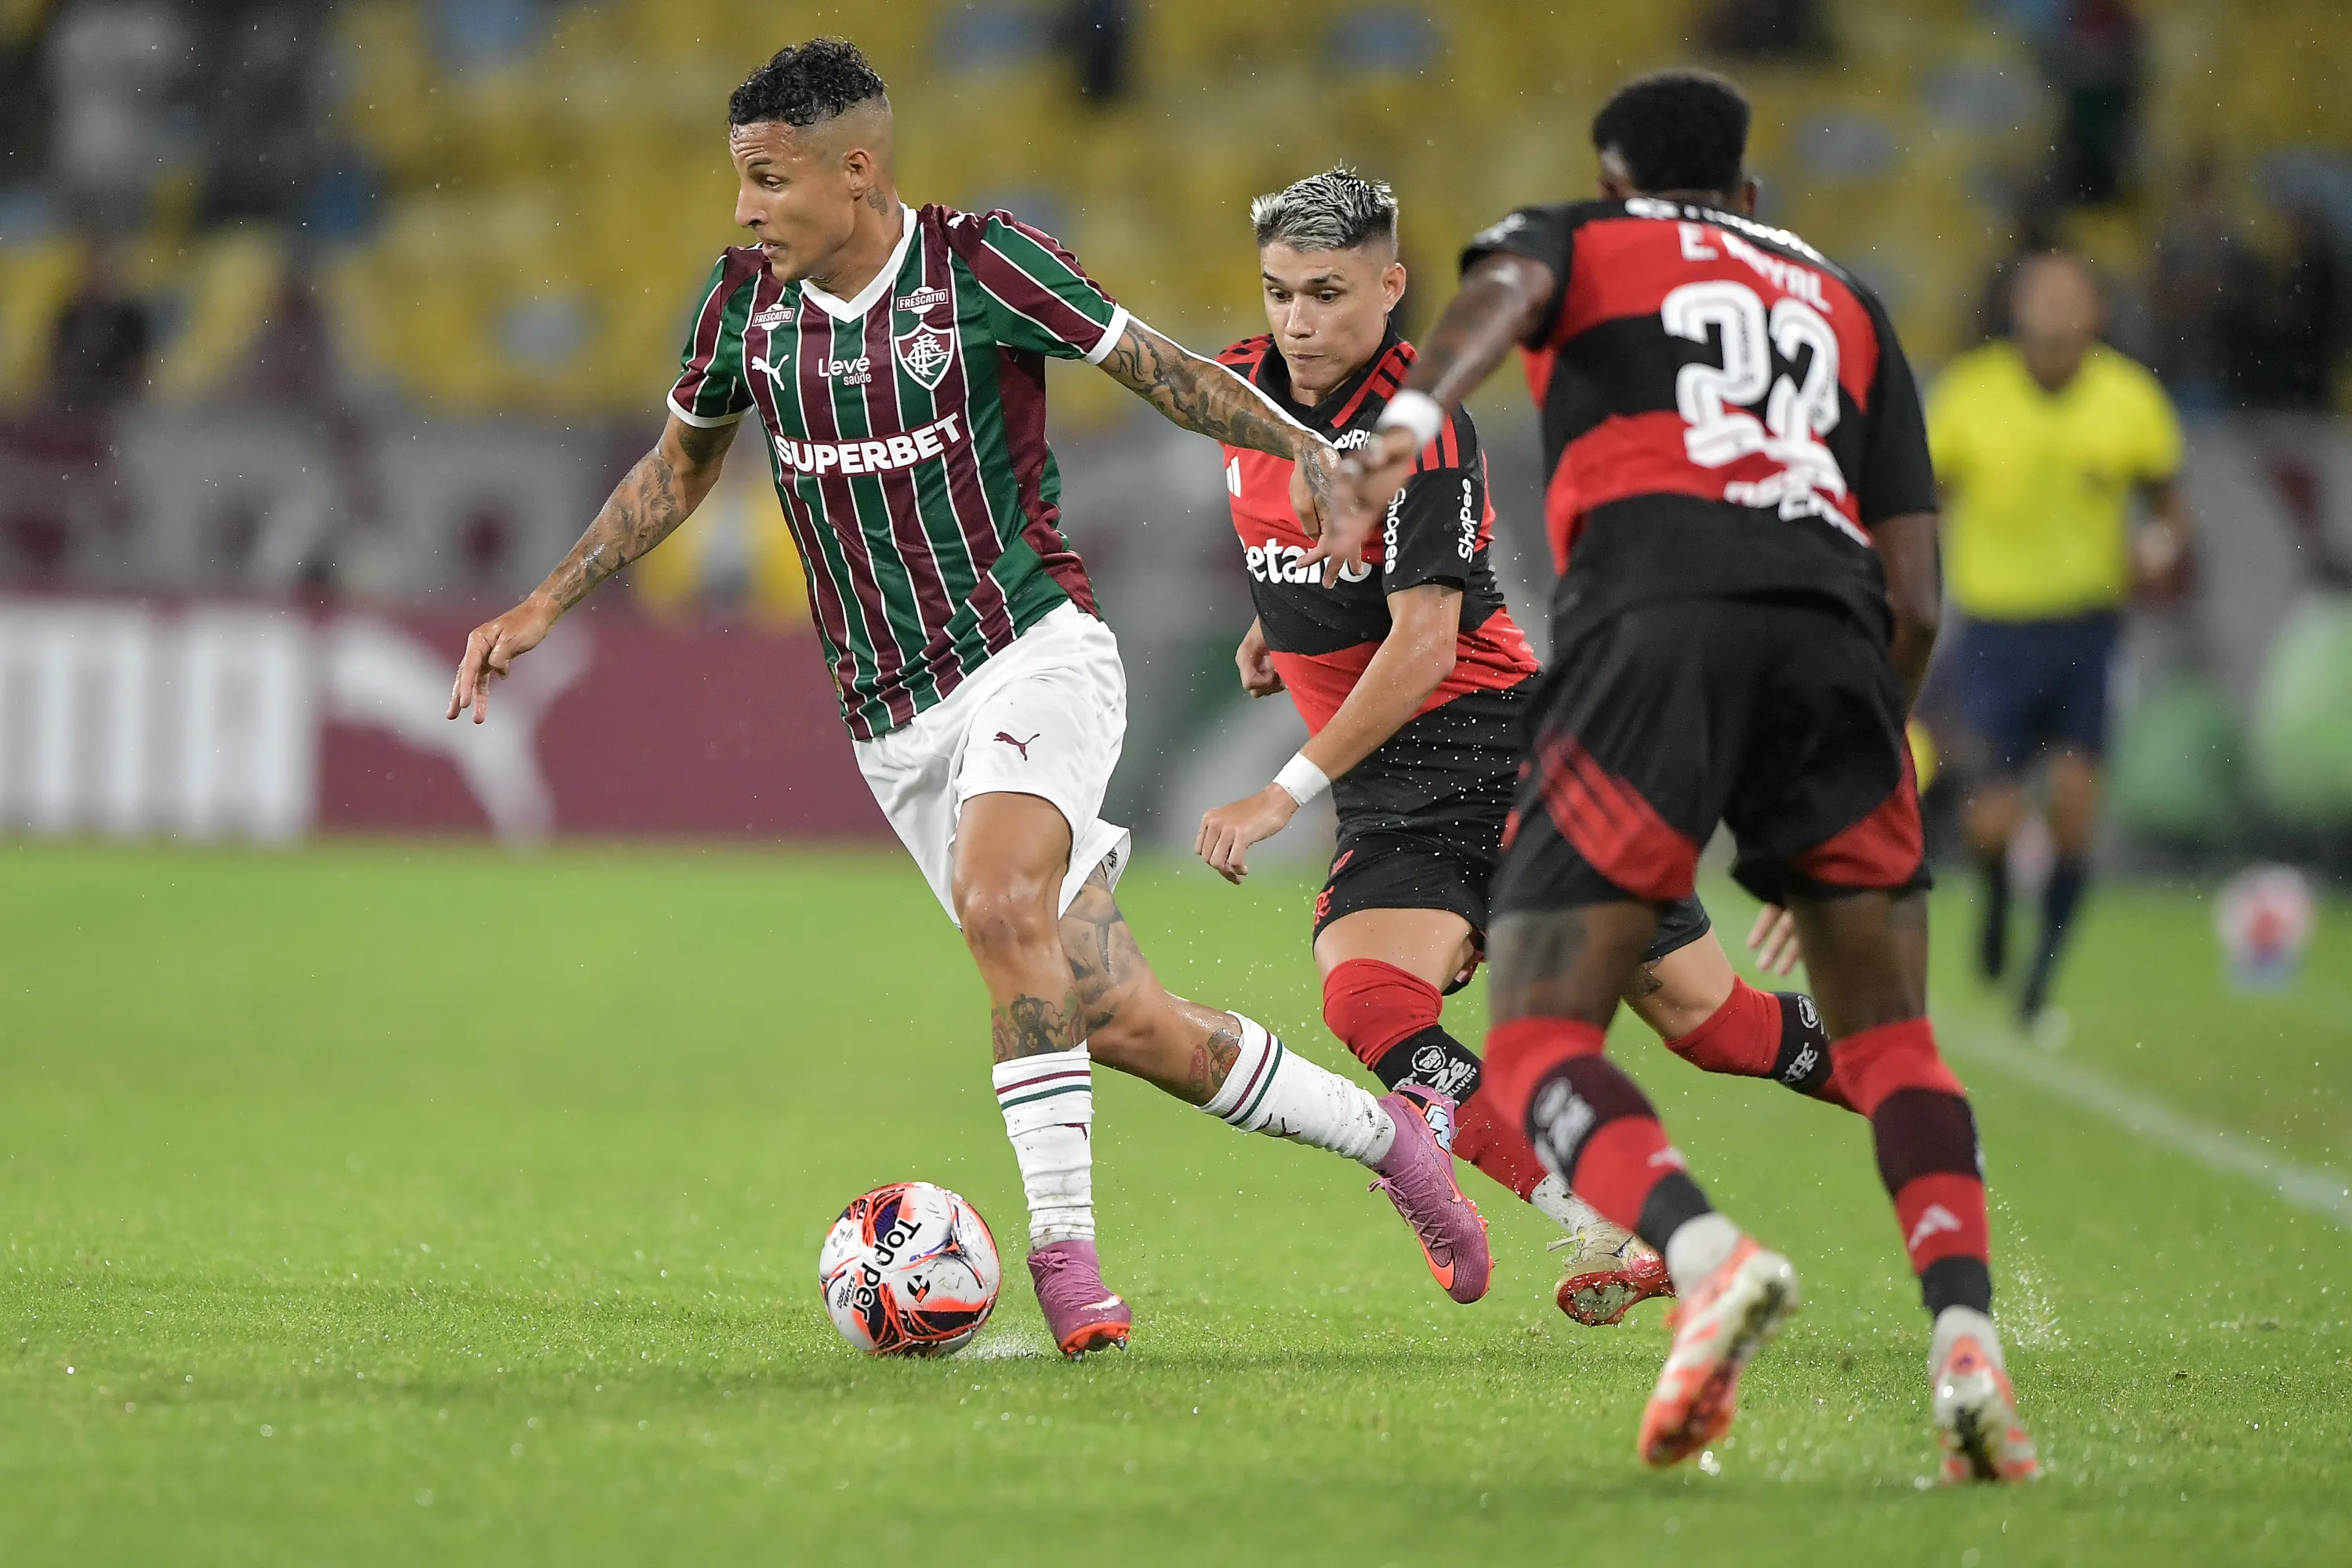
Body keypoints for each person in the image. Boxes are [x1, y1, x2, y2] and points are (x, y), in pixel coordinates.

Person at [446, 38, 1489, 1359]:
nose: (746, 208)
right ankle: (1392, 1143)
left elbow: (1162, 369)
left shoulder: (981, 267)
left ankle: (1065, 1260)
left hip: (1031, 650)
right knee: (1123, 1020)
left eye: (769, 179)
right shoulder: (740, 308)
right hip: (893, 725)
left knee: (1002, 903)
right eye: (742, 180)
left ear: (855, 170)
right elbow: (680, 466)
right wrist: (545, 601)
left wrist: (1308, 452)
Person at [1319, 69, 2038, 1482]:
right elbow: (1918, 596)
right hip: (1833, 650)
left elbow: (1496, 297)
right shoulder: (1846, 301)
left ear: (1611, 179)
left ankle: (1706, 1257)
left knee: (1540, 1036)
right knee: (1893, 1040)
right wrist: (1860, 775)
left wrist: (1400, 428)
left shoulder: (1580, 237)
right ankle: (1969, 1346)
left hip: (1651, 636)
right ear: (1749, 194)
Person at [1191, 167, 1850, 1327]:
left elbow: (1425, 648)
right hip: (1404, 784)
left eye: (1328, 294)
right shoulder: (1242, 389)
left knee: (1716, 1028)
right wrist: (1279, 622)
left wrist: (1280, 795)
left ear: (1390, 287)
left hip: (1501, 750)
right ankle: (1620, 1227)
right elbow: (1301, 544)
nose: (1298, 321)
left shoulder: (1423, 427)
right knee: (1373, 1000)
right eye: (1280, 291)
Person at [1930, 252, 2189, 1027]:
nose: (2054, 309)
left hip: (2087, 629)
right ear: (2016, 307)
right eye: (2041, 295)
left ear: (2095, 312)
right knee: (1989, 818)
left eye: (2070, 296)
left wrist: (2158, 549)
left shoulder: (2130, 400)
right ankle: (1996, 894)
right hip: (1996, 632)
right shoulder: (1970, 394)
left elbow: (2169, 511)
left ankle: (2040, 976)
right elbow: (1926, 500)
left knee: (2076, 807)